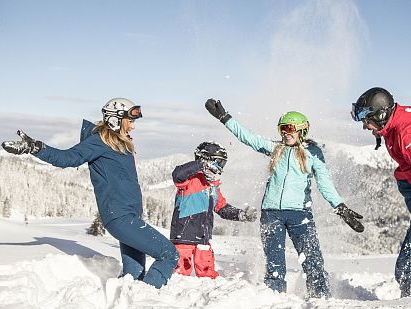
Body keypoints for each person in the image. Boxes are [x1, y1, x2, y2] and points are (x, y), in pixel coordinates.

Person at [1, 97, 179, 289]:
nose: (133, 126)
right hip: (120, 217)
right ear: (115, 119)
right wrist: (35, 147)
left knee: (133, 276)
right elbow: (67, 158)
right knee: (169, 254)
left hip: (130, 216)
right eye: (131, 121)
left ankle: (127, 304)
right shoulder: (99, 142)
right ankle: (147, 298)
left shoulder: (121, 144)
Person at [205, 99, 364, 298]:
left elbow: (324, 183)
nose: (285, 133)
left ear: (302, 131)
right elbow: (248, 137)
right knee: (274, 261)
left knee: (312, 258)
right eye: (282, 129)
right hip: (271, 213)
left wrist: (339, 206)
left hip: (300, 214)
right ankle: (274, 297)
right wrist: (225, 118)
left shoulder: (313, 154)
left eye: (290, 129)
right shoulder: (275, 149)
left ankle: (321, 297)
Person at [351, 87, 411, 297]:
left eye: (366, 120)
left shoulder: (406, 132)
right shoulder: (394, 125)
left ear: (381, 114)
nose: (365, 127)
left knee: (406, 270)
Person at [170, 141, 257, 279]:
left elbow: (222, 207)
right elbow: (177, 174)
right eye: (218, 163)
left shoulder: (213, 186)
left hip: (203, 238)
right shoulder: (189, 180)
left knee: (207, 273)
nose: (219, 169)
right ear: (206, 160)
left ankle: (209, 295)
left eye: (222, 165)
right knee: (179, 272)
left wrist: (240, 214)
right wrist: (200, 164)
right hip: (183, 237)